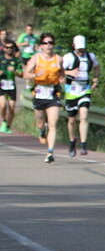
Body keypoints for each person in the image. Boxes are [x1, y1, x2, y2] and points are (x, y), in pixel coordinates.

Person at [23, 32, 64, 163]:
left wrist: (62, 78)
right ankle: (41, 131)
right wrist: (35, 75)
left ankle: (50, 152)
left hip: (53, 93)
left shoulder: (59, 59)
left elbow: (62, 73)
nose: (48, 45)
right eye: (45, 43)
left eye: (50, 43)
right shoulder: (36, 58)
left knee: (53, 123)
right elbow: (25, 74)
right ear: (41, 46)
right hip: (39, 93)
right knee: (41, 122)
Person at [62, 35, 100, 157]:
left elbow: (96, 67)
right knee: (72, 120)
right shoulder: (68, 58)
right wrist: (69, 72)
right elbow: (58, 70)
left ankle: (83, 145)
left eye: (82, 49)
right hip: (71, 90)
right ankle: (72, 140)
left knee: (83, 116)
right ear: (73, 46)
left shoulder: (91, 57)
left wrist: (96, 78)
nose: (80, 51)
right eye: (78, 48)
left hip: (85, 89)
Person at [1, 38, 22, 133]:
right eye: (7, 47)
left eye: (11, 47)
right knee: (2, 105)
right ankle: (4, 121)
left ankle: (8, 126)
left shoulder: (16, 61)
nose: (9, 49)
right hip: (1, 85)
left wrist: (15, 72)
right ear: (4, 48)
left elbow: (21, 75)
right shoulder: (1, 59)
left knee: (12, 108)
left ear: (13, 49)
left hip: (11, 86)